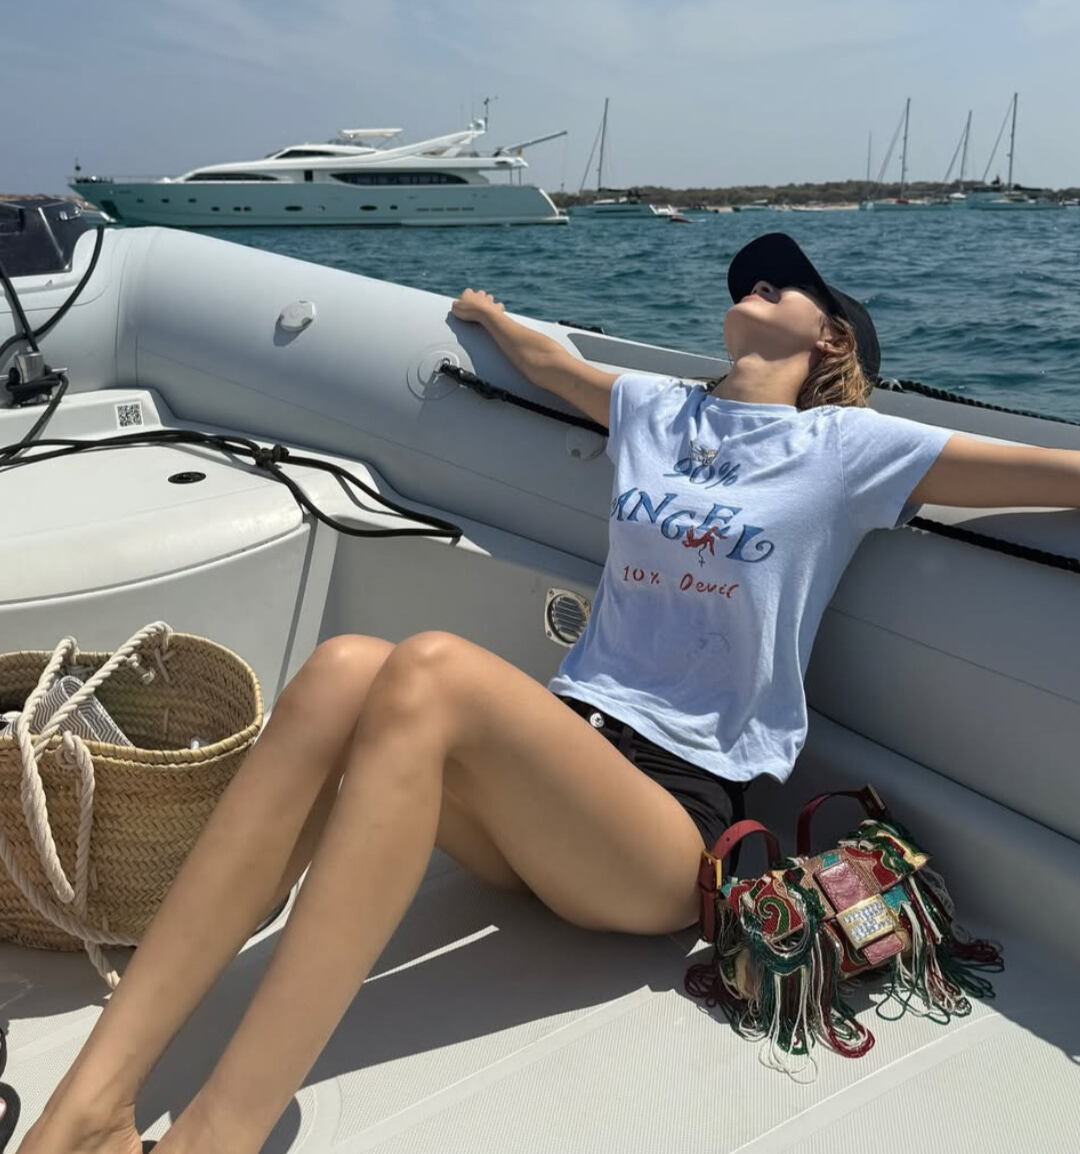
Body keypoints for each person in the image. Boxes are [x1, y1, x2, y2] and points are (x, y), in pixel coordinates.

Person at [24, 232, 1080, 1154]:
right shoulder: (659, 411)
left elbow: (1039, 471)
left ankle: (216, 1137)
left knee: (429, 669)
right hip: (551, 793)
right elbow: (554, 368)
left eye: (784, 283)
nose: (757, 284)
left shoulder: (847, 450)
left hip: (665, 827)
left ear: (833, 337)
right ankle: (81, 1116)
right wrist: (490, 315)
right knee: (344, 669)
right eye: (750, 279)